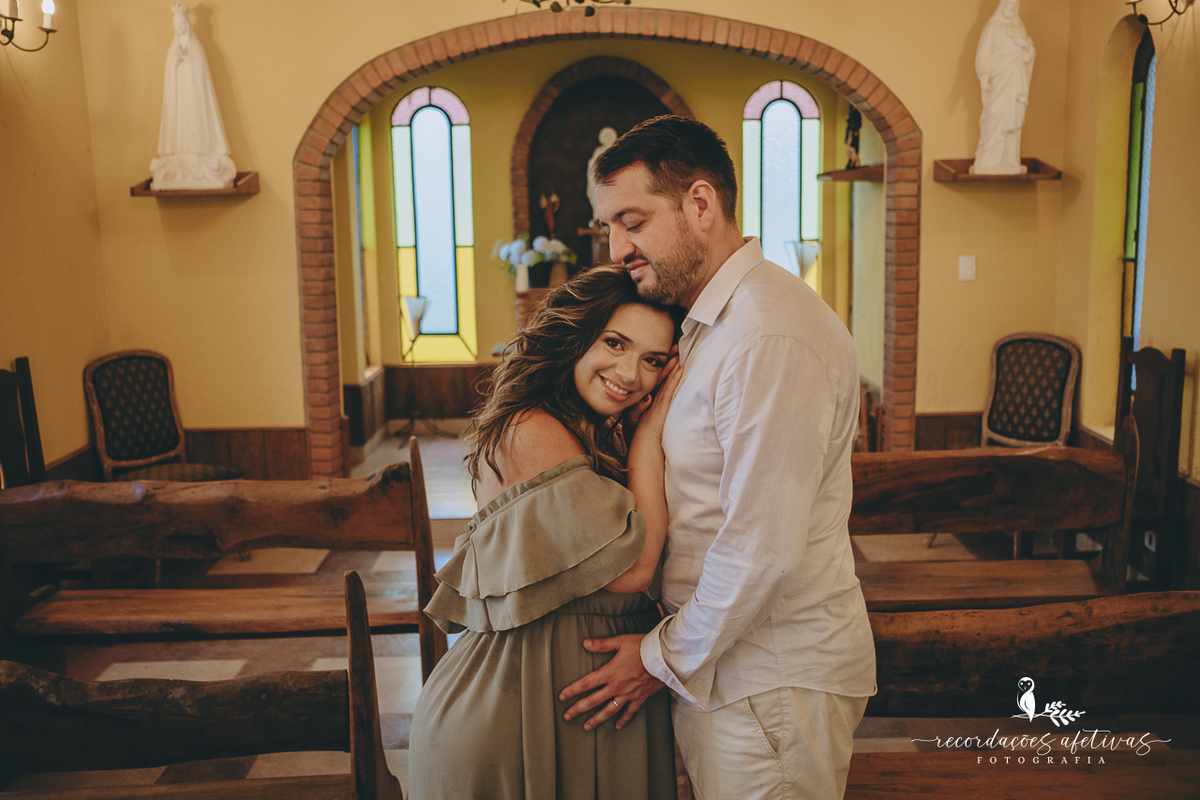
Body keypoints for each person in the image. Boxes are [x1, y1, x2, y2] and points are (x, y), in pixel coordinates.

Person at [559, 115, 877, 800]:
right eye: (609, 227)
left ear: (700, 205)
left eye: (633, 221)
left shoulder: (768, 334)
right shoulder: (714, 321)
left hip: (768, 681)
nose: (617, 247)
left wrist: (656, 659)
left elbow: (759, 547)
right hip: (729, 667)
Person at [408, 265, 683, 799]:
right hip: (511, 712)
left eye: (652, 360)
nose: (630, 374)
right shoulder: (531, 428)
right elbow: (635, 568)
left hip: (588, 707)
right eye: (615, 343)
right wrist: (648, 439)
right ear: (576, 336)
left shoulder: (593, 428)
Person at [150, 2, 237, 190]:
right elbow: (169, 76)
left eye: (183, 25)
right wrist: (177, 61)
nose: (180, 28)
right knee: (180, 124)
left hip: (194, 97)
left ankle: (203, 153)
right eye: (178, 26)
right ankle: (180, 156)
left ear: (187, 26)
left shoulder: (197, 47)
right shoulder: (172, 49)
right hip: (179, 99)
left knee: (196, 122)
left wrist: (187, 60)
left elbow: (200, 74)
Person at [971, 0, 1035, 175]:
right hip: (998, 80)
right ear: (1001, 5)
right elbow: (984, 53)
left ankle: (1009, 159)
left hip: (1014, 80)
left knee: (1012, 116)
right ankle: (987, 159)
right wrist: (984, 75)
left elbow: (1028, 56)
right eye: (1007, 5)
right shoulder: (992, 26)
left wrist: (1025, 47)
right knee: (992, 116)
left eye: (1014, 6)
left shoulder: (1019, 27)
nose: (1010, 8)